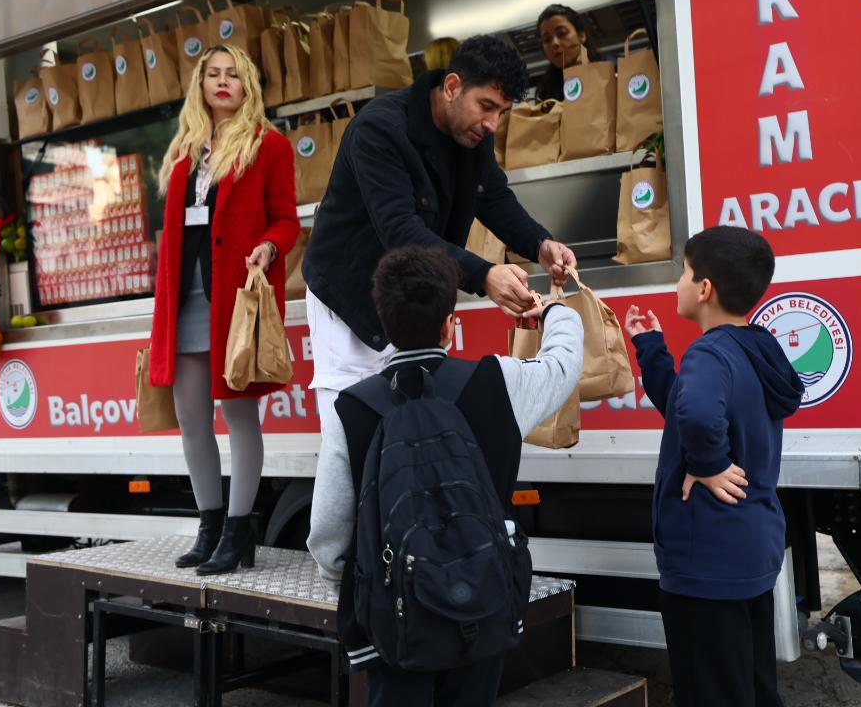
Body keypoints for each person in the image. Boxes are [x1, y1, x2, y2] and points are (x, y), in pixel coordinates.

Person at [303, 35, 577, 577]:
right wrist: (483, 274)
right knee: (354, 423)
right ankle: (358, 566)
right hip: (350, 297)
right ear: (452, 87)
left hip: (415, 292)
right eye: (487, 107)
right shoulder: (380, 128)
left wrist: (541, 243)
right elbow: (400, 227)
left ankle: (414, 545)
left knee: (417, 420)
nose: (493, 124)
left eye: (503, 112)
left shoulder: (471, 134)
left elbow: (493, 197)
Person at [307, 245, 583, 706]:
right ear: (449, 324)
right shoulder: (498, 383)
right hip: (484, 600)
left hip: (393, 622)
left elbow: (328, 534)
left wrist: (366, 591)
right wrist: (556, 311)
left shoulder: (350, 410)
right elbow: (563, 364)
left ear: (384, 323)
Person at [623, 227, 803, 707]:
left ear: (705, 290)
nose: (679, 282)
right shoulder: (755, 348)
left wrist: (709, 464)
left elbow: (700, 415)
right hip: (748, 553)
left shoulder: (709, 351)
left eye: (683, 272)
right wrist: (651, 348)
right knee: (752, 688)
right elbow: (686, 405)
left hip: (706, 562)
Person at [149, 44, 301, 575]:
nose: (222, 82)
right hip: (184, 300)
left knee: (239, 416)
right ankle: (209, 526)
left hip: (234, 303)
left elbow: (287, 220)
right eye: (212, 74)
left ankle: (239, 533)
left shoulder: (269, 145)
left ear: (247, 86)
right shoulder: (186, 148)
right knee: (192, 419)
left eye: (232, 75)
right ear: (200, 85)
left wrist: (269, 246)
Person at [535, 4, 600, 102]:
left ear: (581, 36)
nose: (555, 43)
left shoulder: (611, 68)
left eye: (562, 33)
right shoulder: (545, 90)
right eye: (547, 39)